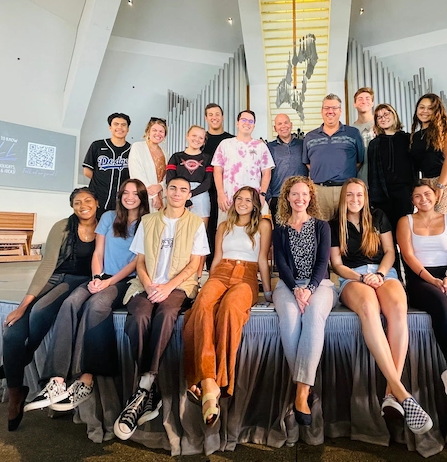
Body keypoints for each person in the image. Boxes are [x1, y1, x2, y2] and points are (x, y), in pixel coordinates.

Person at [24, 179, 150, 414]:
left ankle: (86, 379)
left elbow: (137, 261)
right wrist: (96, 277)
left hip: (125, 280)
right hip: (102, 275)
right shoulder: (108, 217)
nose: (130, 197)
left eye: (135, 193)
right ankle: (57, 380)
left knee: (96, 306)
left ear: (142, 197)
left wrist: (108, 283)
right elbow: (98, 252)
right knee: (70, 302)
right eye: (125, 192)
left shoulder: (147, 222)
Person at [329, 178, 433, 434]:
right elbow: (337, 264)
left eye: (359, 195)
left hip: (383, 272)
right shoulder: (334, 224)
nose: (355, 200)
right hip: (352, 277)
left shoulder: (378, 216)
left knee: (398, 309)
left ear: (366, 197)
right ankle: (402, 393)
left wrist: (381, 274)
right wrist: (362, 277)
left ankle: (390, 395)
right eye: (350, 195)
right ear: (344, 198)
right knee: (369, 307)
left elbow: (389, 251)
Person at [0, 188, 98, 431]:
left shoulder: (104, 225)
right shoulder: (62, 226)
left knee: (40, 310)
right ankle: (16, 392)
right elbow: (48, 264)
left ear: (96, 202)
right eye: (77, 202)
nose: (83, 205)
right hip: (55, 277)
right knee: (12, 331)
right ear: (72, 206)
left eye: (88, 200)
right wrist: (22, 306)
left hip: (79, 281)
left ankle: (26, 353)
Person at [113, 176, 210, 440]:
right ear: (166, 192)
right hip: (147, 283)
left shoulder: (195, 224)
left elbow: (194, 265)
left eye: (183, 190)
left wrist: (168, 287)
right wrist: (148, 284)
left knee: (167, 313)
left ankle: (145, 385)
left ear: (189, 194)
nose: (177, 193)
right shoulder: (149, 221)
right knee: (140, 315)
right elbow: (140, 261)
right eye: (173, 188)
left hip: (178, 286)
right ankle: (150, 392)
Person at [183, 186, 272, 425]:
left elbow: (263, 259)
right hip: (221, 273)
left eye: (248, 200)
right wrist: (207, 284)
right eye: (239, 199)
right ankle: (208, 382)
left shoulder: (263, 225)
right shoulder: (223, 226)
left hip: (247, 275)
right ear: (233, 202)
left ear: (255, 204)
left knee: (231, 309)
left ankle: (219, 381)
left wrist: (269, 291)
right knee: (202, 306)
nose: (242, 203)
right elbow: (218, 259)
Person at [397, 179, 447, 409]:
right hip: (419, 278)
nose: (423, 199)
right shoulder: (406, 221)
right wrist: (431, 279)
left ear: (436, 196)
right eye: (417, 196)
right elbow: (408, 256)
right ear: (412, 200)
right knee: (441, 304)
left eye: (427, 194)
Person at [271, 176, 336, 427]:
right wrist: (296, 289)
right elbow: (281, 264)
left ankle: (300, 393)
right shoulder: (280, 229)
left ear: (311, 197)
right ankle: (306, 388)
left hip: (319, 284)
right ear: (287, 197)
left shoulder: (322, 226)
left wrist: (308, 289)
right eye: (295, 194)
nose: (300, 199)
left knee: (312, 317)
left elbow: (323, 263)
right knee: (288, 321)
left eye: (305, 194)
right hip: (288, 285)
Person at [367, 103, 415, 276]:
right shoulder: (374, 144)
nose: (383, 117)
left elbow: (413, 169)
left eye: (386, 114)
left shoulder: (408, 139)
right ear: (376, 122)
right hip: (382, 198)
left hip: (404, 196)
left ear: (394, 115)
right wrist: (372, 200)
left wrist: (413, 193)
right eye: (379, 116)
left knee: (406, 241)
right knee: (388, 241)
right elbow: (372, 174)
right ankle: (394, 278)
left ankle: (412, 280)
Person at [303, 94, 365, 221]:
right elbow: (308, 164)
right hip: (319, 191)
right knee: (321, 230)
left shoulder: (353, 133)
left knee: (347, 229)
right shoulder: (310, 137)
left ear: (340, 111)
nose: (330, 111)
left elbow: (359, 161)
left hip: (346, 190)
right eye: (326, 108)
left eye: (334, 108)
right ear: (321, 111)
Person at [211, 110, 274, 224]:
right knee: (225, 232)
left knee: (255, 234)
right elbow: (217, 171)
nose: (247, 123)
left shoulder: (261, 146)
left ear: (254, 125)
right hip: (229, 199)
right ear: (237, 123)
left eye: (250, 121)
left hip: (253, 199)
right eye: (244, 120)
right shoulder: (225, 144)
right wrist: (220, 194)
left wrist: (262, 195)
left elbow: (267, 173)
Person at [409, 94, 447, 219]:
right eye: (421, 107)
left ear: (436, 111)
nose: (425, 111)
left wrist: (440, 185)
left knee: (444, 222)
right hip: (425, 183)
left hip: (443, 182)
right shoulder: (415, 136)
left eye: (430, 108)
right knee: (429, 224)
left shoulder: (444, 130)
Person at [203, 103, 234, 269]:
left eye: (217, 114)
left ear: (222, 117)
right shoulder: (201, 139)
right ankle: (209, 266)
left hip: (225, 191)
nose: (214, 117)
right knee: (208, 230)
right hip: (204, 192)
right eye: (210, 114)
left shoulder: (231, 140)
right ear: (206, 118)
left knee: (225, 228)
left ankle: (225, 265)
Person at [83, 113, 132, 216]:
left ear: (128, 129)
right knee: (94, 229)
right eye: (116, 124)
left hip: (122, 202)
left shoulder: (133, 150)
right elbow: (87, 171)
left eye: (123, 125)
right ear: (110, 127)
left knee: (117, 231)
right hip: (97, 199)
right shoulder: (97, 145)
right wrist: (103, 182)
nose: (120, 127)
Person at [166, 125, 213, 229]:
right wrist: (183, 197)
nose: (197, 139)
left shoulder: (208, 158)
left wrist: (190, 195)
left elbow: (208, 182)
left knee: (199, 231)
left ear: (204, 141)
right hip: (178, 194)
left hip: (200, 194)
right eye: (194, 135)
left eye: (201, 138)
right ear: (187, 136)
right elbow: (170, 179)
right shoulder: (176, 157)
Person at [266, 113, 308, 215]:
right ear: (275, 128)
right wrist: (269, 198)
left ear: (291, 125)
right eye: (279, 124)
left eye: (286, 122)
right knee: (280, 230)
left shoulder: (303, 144)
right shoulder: (269, 148)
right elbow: (265, 173)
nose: (283, 126)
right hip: (278, 197)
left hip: (301, 198)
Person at [129, 117, 168, 212]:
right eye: (154, 130)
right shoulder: (137, 147)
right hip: (144, 195)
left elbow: (168, 175)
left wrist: (161, 186)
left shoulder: (165, 152)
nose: (158, 134)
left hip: (162, 196)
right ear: (148, 131)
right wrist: (154, 196)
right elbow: (137, 173)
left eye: (161, 131)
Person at [351, 87, 375, 185]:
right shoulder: (351, 131)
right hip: (360, 181)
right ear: (355, 104)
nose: (364, 101)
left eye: (367, 98)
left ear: (372, 103)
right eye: (360, 99)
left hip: (380, 181)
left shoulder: (381, 125)